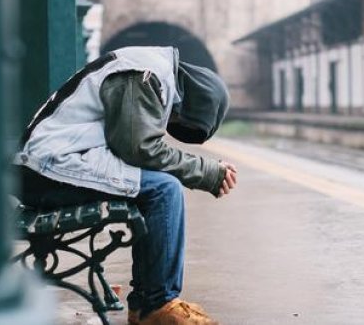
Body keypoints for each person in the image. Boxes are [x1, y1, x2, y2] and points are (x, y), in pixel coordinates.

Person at [15, 46, 237, 325]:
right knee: (164, 190)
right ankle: (158, 303)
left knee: (158, 186)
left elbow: (135, 146)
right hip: (47, 168)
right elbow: (139, 148)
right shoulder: (145, 75)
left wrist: (205, 169)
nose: (172, 121)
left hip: (46, 166)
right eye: (178, 119)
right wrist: (206, 172)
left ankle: (147, 304)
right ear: (190, 102)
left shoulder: (148, 68)